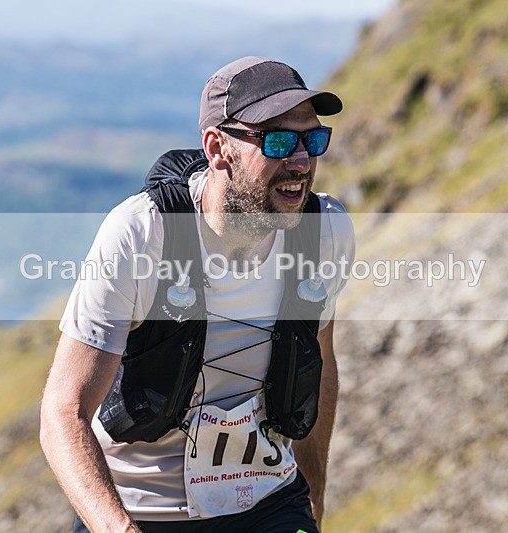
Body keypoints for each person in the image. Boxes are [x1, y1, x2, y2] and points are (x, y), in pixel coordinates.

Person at [40, 56, 355, 533]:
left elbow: (321, 366)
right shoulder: (143, 234)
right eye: (278, 141)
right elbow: (63, 411)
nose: (301, 161)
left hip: (269, 501)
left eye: (313, 140)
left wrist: (313, 494)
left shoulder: (325, 232)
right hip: (141, 511)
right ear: (217, 148)